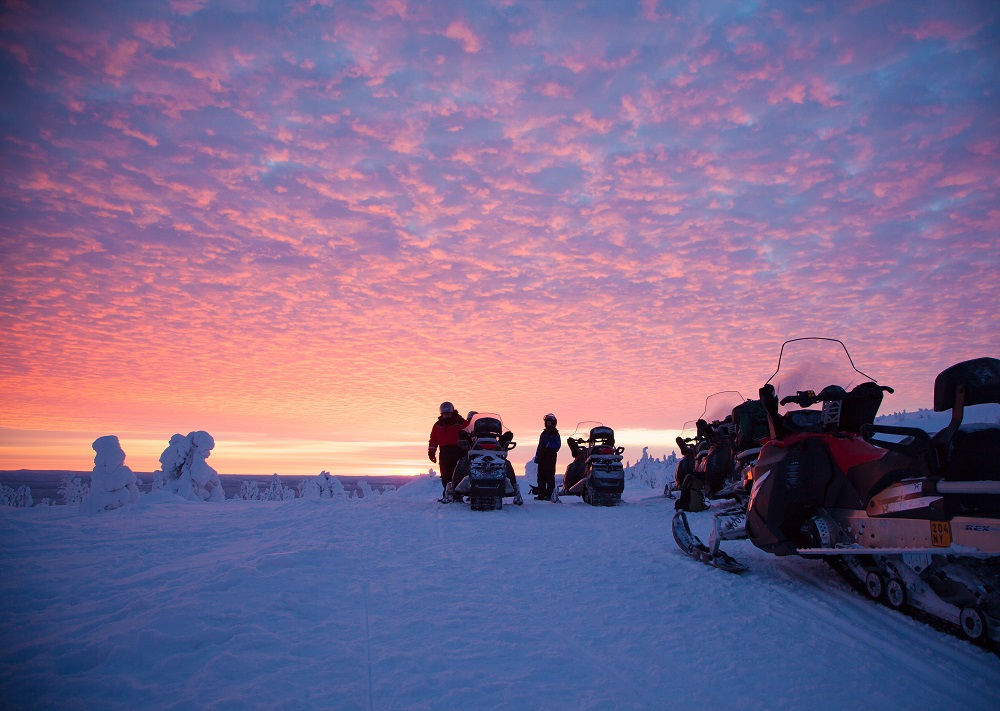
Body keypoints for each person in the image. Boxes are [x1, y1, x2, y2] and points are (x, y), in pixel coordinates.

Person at [428, 402, 468, 499]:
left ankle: (459, 494)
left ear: (452, 412)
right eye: (445, 414)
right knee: (445, 474)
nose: (447, 416)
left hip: (459, 451)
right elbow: (433, 439)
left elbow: (470, 433)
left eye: (448, 413)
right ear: (442, 414)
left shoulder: (461, 423)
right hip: (444, 453)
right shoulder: (437, 425)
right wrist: (431, 452)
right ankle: (447, 493)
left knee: (458, 473)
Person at [533, 413, 560, 500]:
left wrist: (548, 447)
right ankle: (541, 494)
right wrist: (537, 457)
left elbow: (557, 445)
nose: (548, 424)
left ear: (553, 423)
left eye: (550, 423)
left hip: (550, 457)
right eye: (547, 423)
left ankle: (549, 495)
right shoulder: (543, 433)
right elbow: (539, 446)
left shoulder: (555, 434)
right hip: (542, 457)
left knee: (550, 476)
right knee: (540, 476)